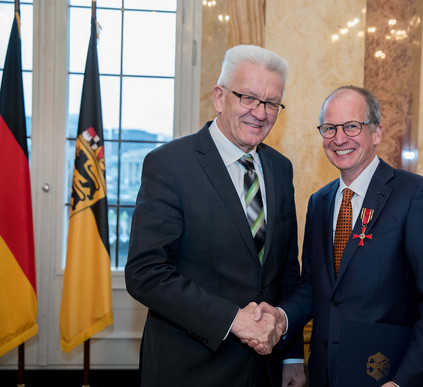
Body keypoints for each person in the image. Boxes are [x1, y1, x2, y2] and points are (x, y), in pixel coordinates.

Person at [125, 44, 306, 387]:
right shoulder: (169, 165)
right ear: (220, 97)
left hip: (264, 370)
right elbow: (145, 273)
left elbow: (286, 274)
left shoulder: (280, 169)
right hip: (190, 369)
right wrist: (232, 320)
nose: (260, 112)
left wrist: (292, 355)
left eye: (271, 103)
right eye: (248, 98)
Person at [255, 85, 423, 386]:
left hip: (390, 375)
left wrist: (405, 381)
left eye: (351, 126)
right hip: (327, 374)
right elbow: (313, 285)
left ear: (375, 132)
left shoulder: (416, 195)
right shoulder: (320, 202)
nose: (339, 139)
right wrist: (281, 318)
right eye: (329, 128)